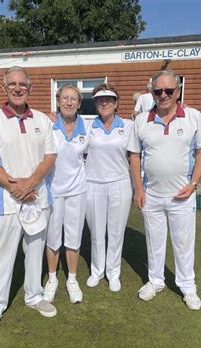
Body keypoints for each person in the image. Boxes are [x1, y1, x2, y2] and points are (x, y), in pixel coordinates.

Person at [0, 66, 58, 336]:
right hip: (6, 201)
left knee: (35, 252)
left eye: (23, 84)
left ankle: (33, 296)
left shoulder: (43, 120)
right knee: (2, 256)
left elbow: (50, 156)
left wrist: (30, 183)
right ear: (5, 87)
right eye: (13, 84)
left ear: (30, 88)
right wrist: (15, 187)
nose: (18, 88)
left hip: (37, 199)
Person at [127, 69, 201, 310]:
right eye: (158, 91)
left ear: (178, 91)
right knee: (154, 242)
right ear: (151, 93)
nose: (163, 95)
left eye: (168, 90)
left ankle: (187, 287)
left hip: (182, 196)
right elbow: (134, 156)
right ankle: (155, 281)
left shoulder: (193, 116)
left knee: (184, 243)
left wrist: (193, 183)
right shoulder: (142, 120)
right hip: (151, 195)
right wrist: (138, 189)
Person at [43, 84, 91, 304]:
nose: (69, 102)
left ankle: (71, 279)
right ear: (58, 101)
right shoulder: (47, 124)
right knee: (53, 236)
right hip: (53, 189)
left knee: (73, 235)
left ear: (79, 103)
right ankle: (52, 278)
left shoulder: (88, 127)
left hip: (77, 190)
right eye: (65, 98)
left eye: (73, 99)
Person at [85, 83, 134, 292]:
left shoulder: (130, 125)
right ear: (95, 103)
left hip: (120, 183)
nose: (104, 102)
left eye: (108, 99)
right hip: (92, 183)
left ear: (116, 103)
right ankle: (97, 270)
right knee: (96, 231)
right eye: (99, 99)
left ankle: (113, 272)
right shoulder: (87, 125)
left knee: (116, 231)